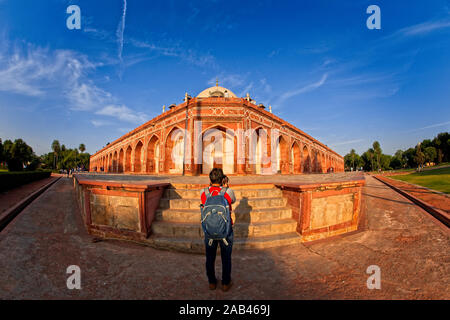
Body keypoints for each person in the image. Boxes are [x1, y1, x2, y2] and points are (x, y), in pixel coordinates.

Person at [200, 168, 236, 292]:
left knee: (210, 257)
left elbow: (203, 203)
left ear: (210, 179)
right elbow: (233, 201)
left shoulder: (204, 192)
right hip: (226, 230)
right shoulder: (228, 192)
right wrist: (226, 186)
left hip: (210, 229)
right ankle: (225, 283)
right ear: (222, 179)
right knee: (226, 257)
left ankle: (212, 282)